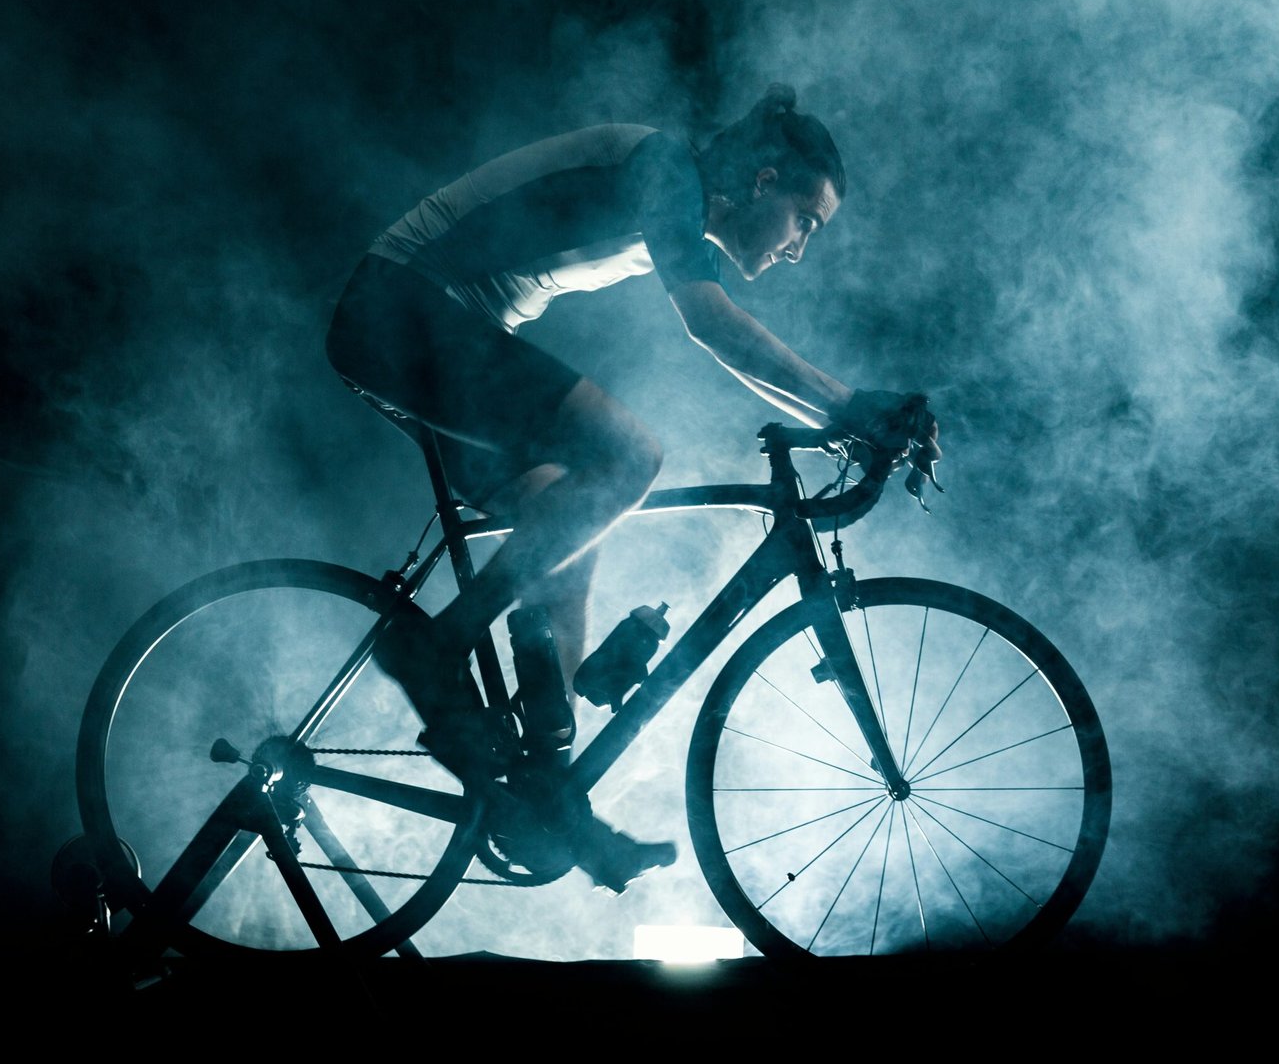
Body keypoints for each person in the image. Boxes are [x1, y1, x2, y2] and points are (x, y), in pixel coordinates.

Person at [326, 84, 939, 890]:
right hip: (402, 305)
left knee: (576, 522)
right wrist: (852, 405)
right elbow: (711, 325)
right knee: (626, 459)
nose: (798, 249)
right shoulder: (665, 169)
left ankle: (550, 794)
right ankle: (430, 646)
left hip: (429, 323)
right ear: (763, 182)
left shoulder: (682, 202)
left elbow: (728, 340)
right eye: (806, 222)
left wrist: (850, 420)